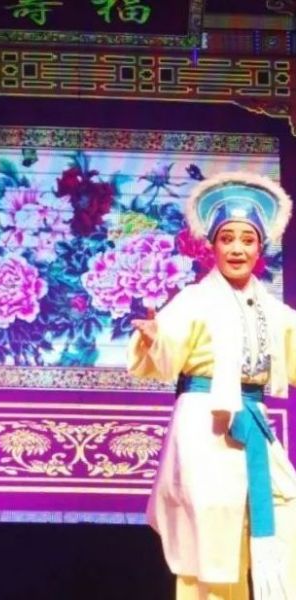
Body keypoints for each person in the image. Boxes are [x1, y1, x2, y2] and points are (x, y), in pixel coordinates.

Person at [128, 172, 296, 600]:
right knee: (210, 536)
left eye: (247, 240)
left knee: (284, 516)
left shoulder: (275, 311)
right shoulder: (194, 300)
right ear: (213, 245)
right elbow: (166, 353)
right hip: (204, 428)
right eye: (227, 239)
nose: (237, 248)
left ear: (260, 247)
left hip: (253, 424)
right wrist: (154, 338)